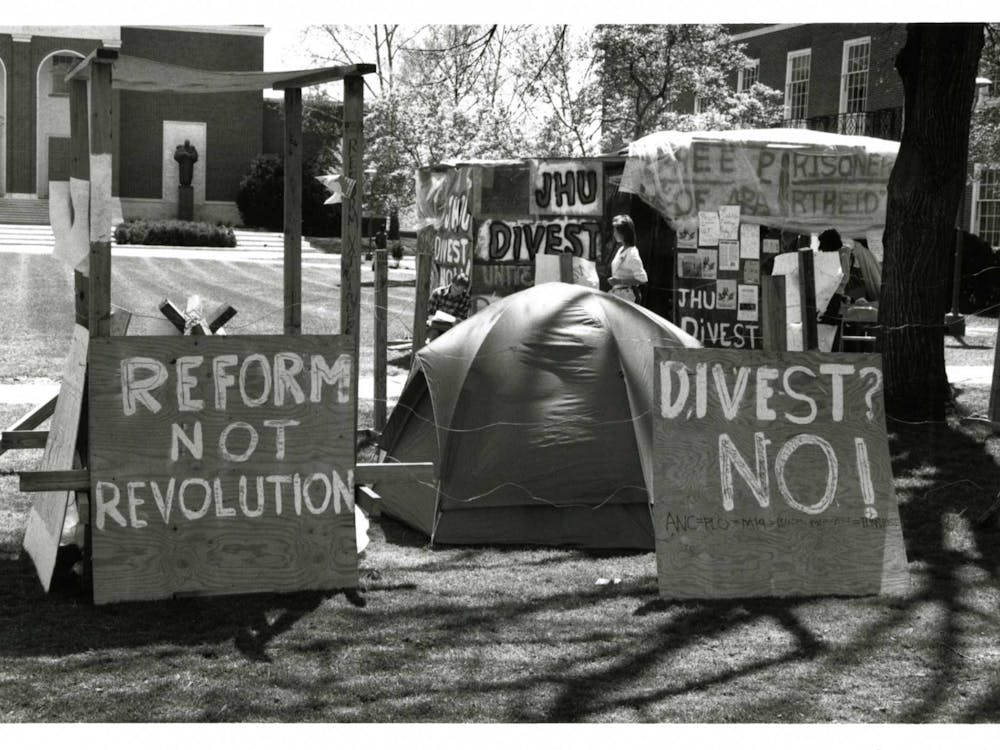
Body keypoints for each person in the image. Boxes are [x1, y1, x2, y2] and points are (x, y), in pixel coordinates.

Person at [607, 214, 648, 303]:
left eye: (616, 231)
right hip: (618, 295)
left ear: (623, 233)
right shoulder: (621, 249)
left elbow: (642, 279)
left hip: (628, 296)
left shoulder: (632, 253)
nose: (614, 234)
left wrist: (619, 281)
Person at [426, 271, 472, 341]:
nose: (456, 293)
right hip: (435, 325)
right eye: (455, 290)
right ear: (452, 283)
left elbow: (462, 318)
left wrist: (457, 321)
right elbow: (430, 314)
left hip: (452, 328)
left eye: (460, 291)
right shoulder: (438, 293)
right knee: (433, 335)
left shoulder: (465, 298)